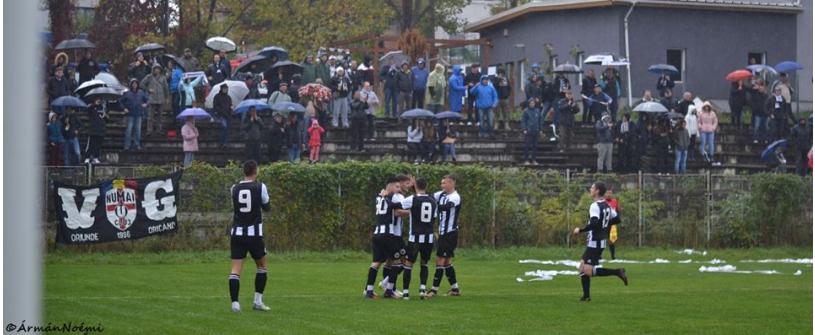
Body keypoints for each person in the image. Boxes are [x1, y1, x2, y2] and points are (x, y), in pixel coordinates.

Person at [227, 160, 272, 312]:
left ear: (244, 172)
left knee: (235, 269)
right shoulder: (260, 186)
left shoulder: (234, 188)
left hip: (237, 233)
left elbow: (236, 208)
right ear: (256, 171)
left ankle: (235, 304)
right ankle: (257, 301)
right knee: (262, 267)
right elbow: (267, 207)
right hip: (254, 234)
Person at [572, 182, 628, 302]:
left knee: (586, 269)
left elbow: (594, 223)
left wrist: (580, 230)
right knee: (583, 268)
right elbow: (617, 219)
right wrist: (606, 225)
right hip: (600, 241)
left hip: (595, 242)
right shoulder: (607, 206)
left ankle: (617, 272)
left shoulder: (595, 206)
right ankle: (586, 296)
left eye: (592, 188)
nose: (590, 189)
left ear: (597, 191)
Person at [363, 177, 406, 299]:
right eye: (397, 187)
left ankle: (369, 290)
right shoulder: (390, 198)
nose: (398, 190)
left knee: (376, 262)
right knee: (397, 262)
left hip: (377, 233)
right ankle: (389, 291)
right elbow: (396, 206)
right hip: (388, 234)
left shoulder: (378, 197)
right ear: (390, 186)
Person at [397, 178, 437, 299]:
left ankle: (405, 293)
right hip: (428, 238)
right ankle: (422, 289)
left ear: (415, 185)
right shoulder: (433, 200)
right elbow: (434, 218)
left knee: (409, 264)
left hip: (414, 237)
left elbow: (399, 208)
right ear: (427, 185)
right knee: (424, 263)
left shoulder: (411, 199)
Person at [426, 175, 462, 298]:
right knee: (447, 261)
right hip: (443, 233)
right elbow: (429, 196)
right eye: (441, 183)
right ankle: (455, 289)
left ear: (452, 184)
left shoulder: (455, 197)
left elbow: (447, 207)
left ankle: (434, 290)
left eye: (444, 183)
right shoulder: (441, 194)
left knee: (440, 260)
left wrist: (433, 206)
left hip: (450, 233)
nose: (442, 186)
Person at [140, 64, 169, 136]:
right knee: (150, 116)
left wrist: (167, 97)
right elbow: (141, 84)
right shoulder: (149, 77)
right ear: (153, 69)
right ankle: (149, 130)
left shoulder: (163, 77)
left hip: (160, 98)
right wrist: (148, 90)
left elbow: (166, 88)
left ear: (160, 70)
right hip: (152, 99)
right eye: (155, 69)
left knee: (160, 116)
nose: (157, 70)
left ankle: (159, 130)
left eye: (158, 69)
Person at [121, 79, 149, 151]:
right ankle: (127, 145)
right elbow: (120, 102)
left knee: (138, 131)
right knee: (129, 131)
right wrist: (124, 108)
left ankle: (137, 144)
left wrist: (145, 104)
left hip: (138, 114)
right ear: (131, 84)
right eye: (133, 83)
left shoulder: (141, 92)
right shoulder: (127, 93)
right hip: (130, 114)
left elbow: (147, 100)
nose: (134, 85)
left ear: (137, 85)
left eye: (135, 84)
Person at [85, 99, 107, 164]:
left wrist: (105, 116)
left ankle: (96, 157)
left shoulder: (103, 108)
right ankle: (87, 157)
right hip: (93, 130)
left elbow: (106, 119)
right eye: (97, 99)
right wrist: (95, 104)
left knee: (98, 146)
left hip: (101, 130)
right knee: (91, 145)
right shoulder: (91, 107)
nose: (99, 101)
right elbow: (88, 109)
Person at [521, 98, 542, 165]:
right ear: (529, 104)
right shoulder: (526, 111)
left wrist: (540, 129)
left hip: (536, 130)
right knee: (527, 146)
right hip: (528, 131)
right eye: (531, 103)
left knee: (535, 146)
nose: (532, 104)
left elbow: (540, 121)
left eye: (533, 103)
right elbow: (523, 121)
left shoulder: (537, 111)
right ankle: (526, 160)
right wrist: (524, 129)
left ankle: (534, 160)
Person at [604, 187, 620, 260]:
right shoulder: (602, 202)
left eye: (610, 193)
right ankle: (599, 255)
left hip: (612, 223)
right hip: (603, 223)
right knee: (602, 239)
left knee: (611, 240)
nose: (608, 195)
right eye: (607, 193)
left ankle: (613, 256)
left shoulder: (614, 201)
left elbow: (617, 211)